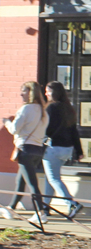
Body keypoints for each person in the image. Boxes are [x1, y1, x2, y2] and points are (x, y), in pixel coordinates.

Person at [0, 81, 49, 223]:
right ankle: (11, 208)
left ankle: (40, 213)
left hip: (25, 149)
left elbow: (14, 129)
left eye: (23, 91)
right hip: (37, 150)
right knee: (21, 180)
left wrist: (7, 121)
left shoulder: (25, 109)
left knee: (32, 183)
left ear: (29, 93)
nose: (21, 94)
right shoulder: (43, 111)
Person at [43, 81, 84, 219]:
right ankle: (45, 207)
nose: (45, 94)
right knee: (51, 178)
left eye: (47, 91)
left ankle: (71, 203)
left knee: (53, 178)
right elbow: (74, 131)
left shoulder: (51, 108)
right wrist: (79, 151)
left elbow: (47, 129)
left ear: (52, 93)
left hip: (53, 148)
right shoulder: (68, 108)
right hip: (67, 149)